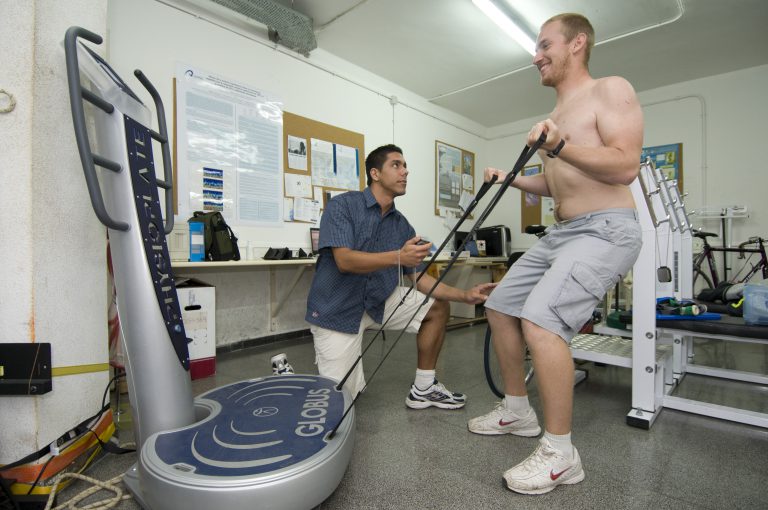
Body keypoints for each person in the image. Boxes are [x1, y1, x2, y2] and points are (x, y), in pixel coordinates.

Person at [468, 13, 643, 495]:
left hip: (607, 229)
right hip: (563, 231)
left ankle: (562, 454)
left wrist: (560, 145)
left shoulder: (610, 89)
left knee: (541, 320)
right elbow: (559, 182)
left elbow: (626, 164)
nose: (536, 55)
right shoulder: (555, 117)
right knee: (501, 306)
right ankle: (517, 411)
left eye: (545, 45)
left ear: (577, 44)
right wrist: (512, 179)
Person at [306, 144, 495, 409]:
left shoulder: (402, 225)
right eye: (396, 165)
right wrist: (398, 256)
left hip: (377, 301)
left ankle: (424, 388)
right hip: (336, 308)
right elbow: (344, 261)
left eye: (405, 166)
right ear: (375, 173)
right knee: (342, 402)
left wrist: (465, 295)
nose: (405, 171)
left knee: (437, 307)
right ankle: (292, 379)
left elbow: (420, 279)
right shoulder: (343, 206)